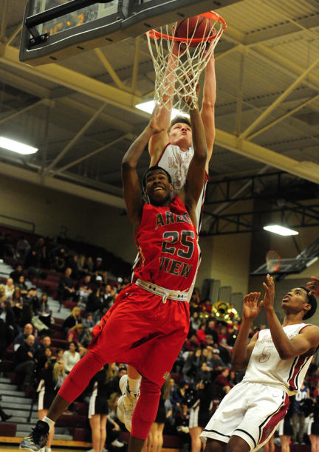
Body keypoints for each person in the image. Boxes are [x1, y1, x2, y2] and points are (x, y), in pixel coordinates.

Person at [19, 96, 207, 452]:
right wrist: (151, 130)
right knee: (97, 355)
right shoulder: (141, 212)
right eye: (149, 179)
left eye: (160, 177)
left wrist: (194, 108)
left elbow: (200, 155)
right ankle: (46, 425)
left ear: (171, 185)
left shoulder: (189, 206)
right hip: (144, 296)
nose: (154, 180)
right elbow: (127, 165)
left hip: (178, 309)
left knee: (154, 385)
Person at [118, 52, 217, 426]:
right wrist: (174, 58)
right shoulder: (159, 156)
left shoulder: (198, 161)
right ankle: (130, 384)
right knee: (141, 319)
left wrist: (207, 54)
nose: (183, 131)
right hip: (154, 246)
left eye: (187, 129)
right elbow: (163, 110)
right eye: (177, 128)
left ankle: (142, 386)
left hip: (187, 251)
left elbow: (206, 106)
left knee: (166, 329)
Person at [200, 275, 319, 452]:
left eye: (297, 292)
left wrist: (269, 309)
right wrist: (247, 321)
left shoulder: (311, 331)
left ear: (306, 306)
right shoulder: (262, 333)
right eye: (289, 291)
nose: (289, 293)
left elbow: (286, 351)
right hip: (243, 387)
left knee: (236, 448)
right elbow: (238, 363)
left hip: (272, 393)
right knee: (213, 448)